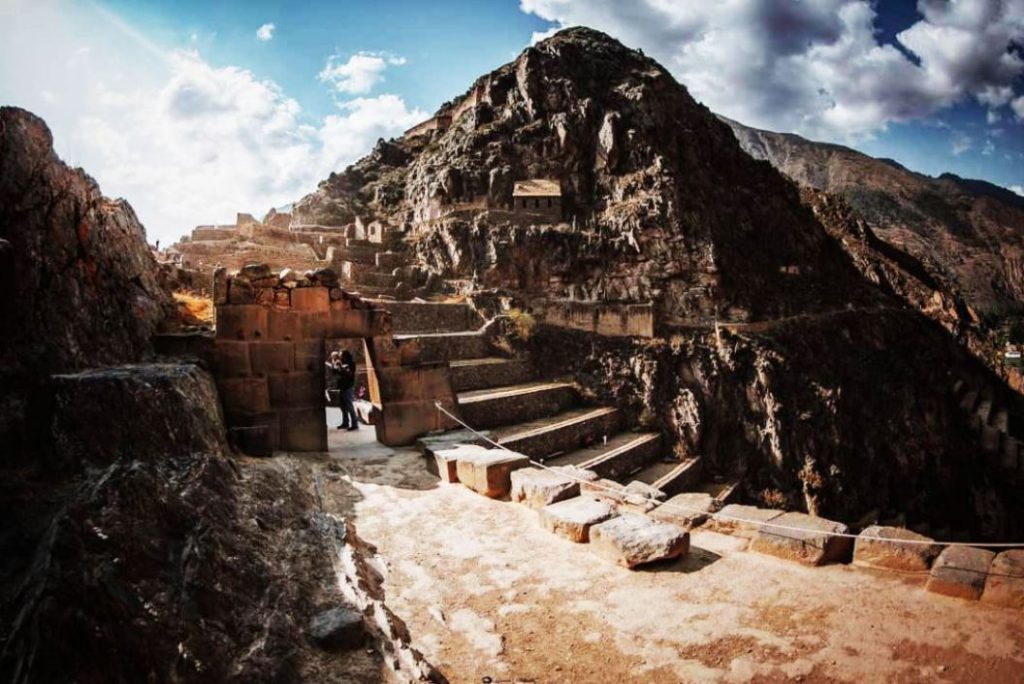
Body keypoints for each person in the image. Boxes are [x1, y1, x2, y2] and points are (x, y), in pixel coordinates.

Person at [338, 350, 359, 431]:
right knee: (343, 406)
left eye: (341, 355)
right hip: (342, 387)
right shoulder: (342, 364)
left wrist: (341, 368)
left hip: (348, 387)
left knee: (349, 406)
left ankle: (355, 424)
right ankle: (345, 422)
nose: (340, 357)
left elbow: (349, 374)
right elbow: (336, 373)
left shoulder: (351, 364)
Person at [324, 351, 346, 429]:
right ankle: (345, 422)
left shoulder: (337, 362)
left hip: (338, 386)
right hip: (336, 386)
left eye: (333, 356)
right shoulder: (335, 362)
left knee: (344, 405)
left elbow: (335, 371)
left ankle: (345, 422)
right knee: (343, 405)